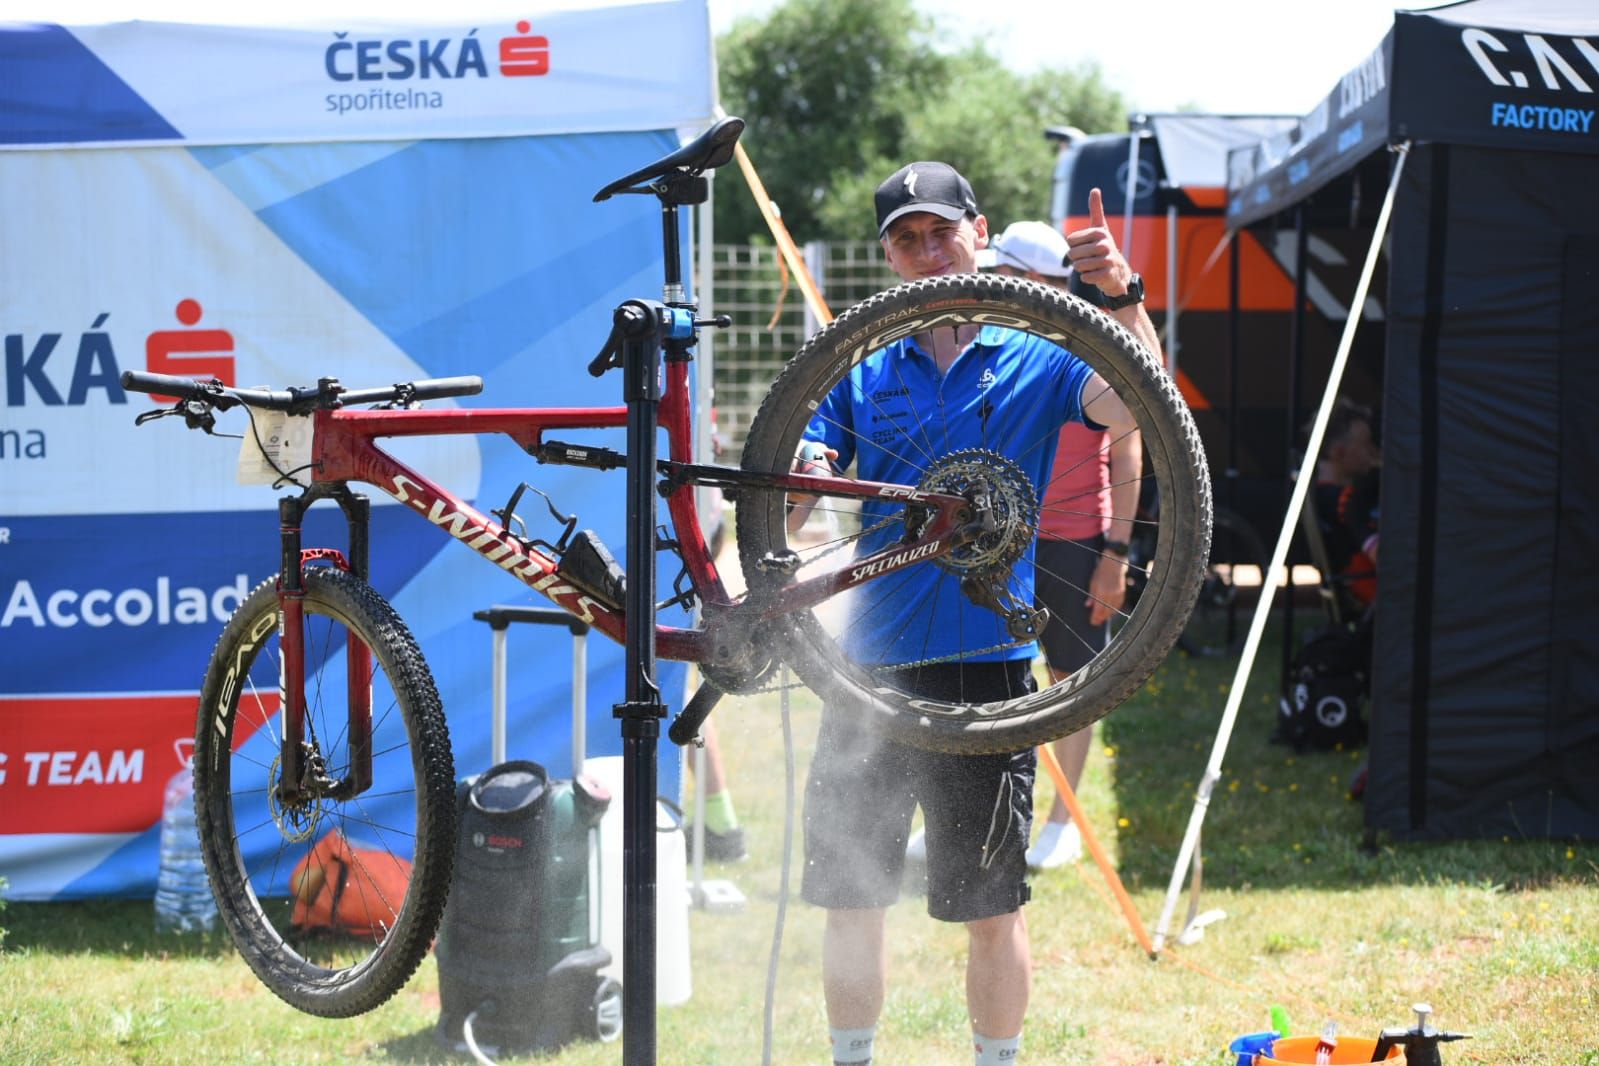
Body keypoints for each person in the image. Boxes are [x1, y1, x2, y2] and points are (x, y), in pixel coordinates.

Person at [788, 162, 1147, 1066]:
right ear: (888, 258)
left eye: (939, 231)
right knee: (851, 897)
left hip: (987, 670)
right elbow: (788, 499)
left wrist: (1121, 295)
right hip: (864, 673)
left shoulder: (1039, 348)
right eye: (904, 240)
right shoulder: (857, 361)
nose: (925, 252)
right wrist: (802, 476)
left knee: (990, 904)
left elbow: (1139, 398)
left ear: (977, 233)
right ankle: (851, 1058)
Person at [980, 219, 1159, 869]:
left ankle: (1062, 823)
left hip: (1075, 540)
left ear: (1033, 281)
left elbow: (1128, 449)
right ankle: (985, 810)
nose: (991, 282)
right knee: (988, 679)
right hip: (1000, 539)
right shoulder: (990, 343)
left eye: (1002, 273)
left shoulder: (1087, 347)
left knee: (1070, 681)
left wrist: (1115, 555)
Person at [1311, 398, 1381, 608]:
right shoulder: (1345, 501)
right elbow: (1386, 559)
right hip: (1379, 601)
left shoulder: (1320, 495)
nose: (1373, 451)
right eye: (1365, 443)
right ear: (1338, 452)